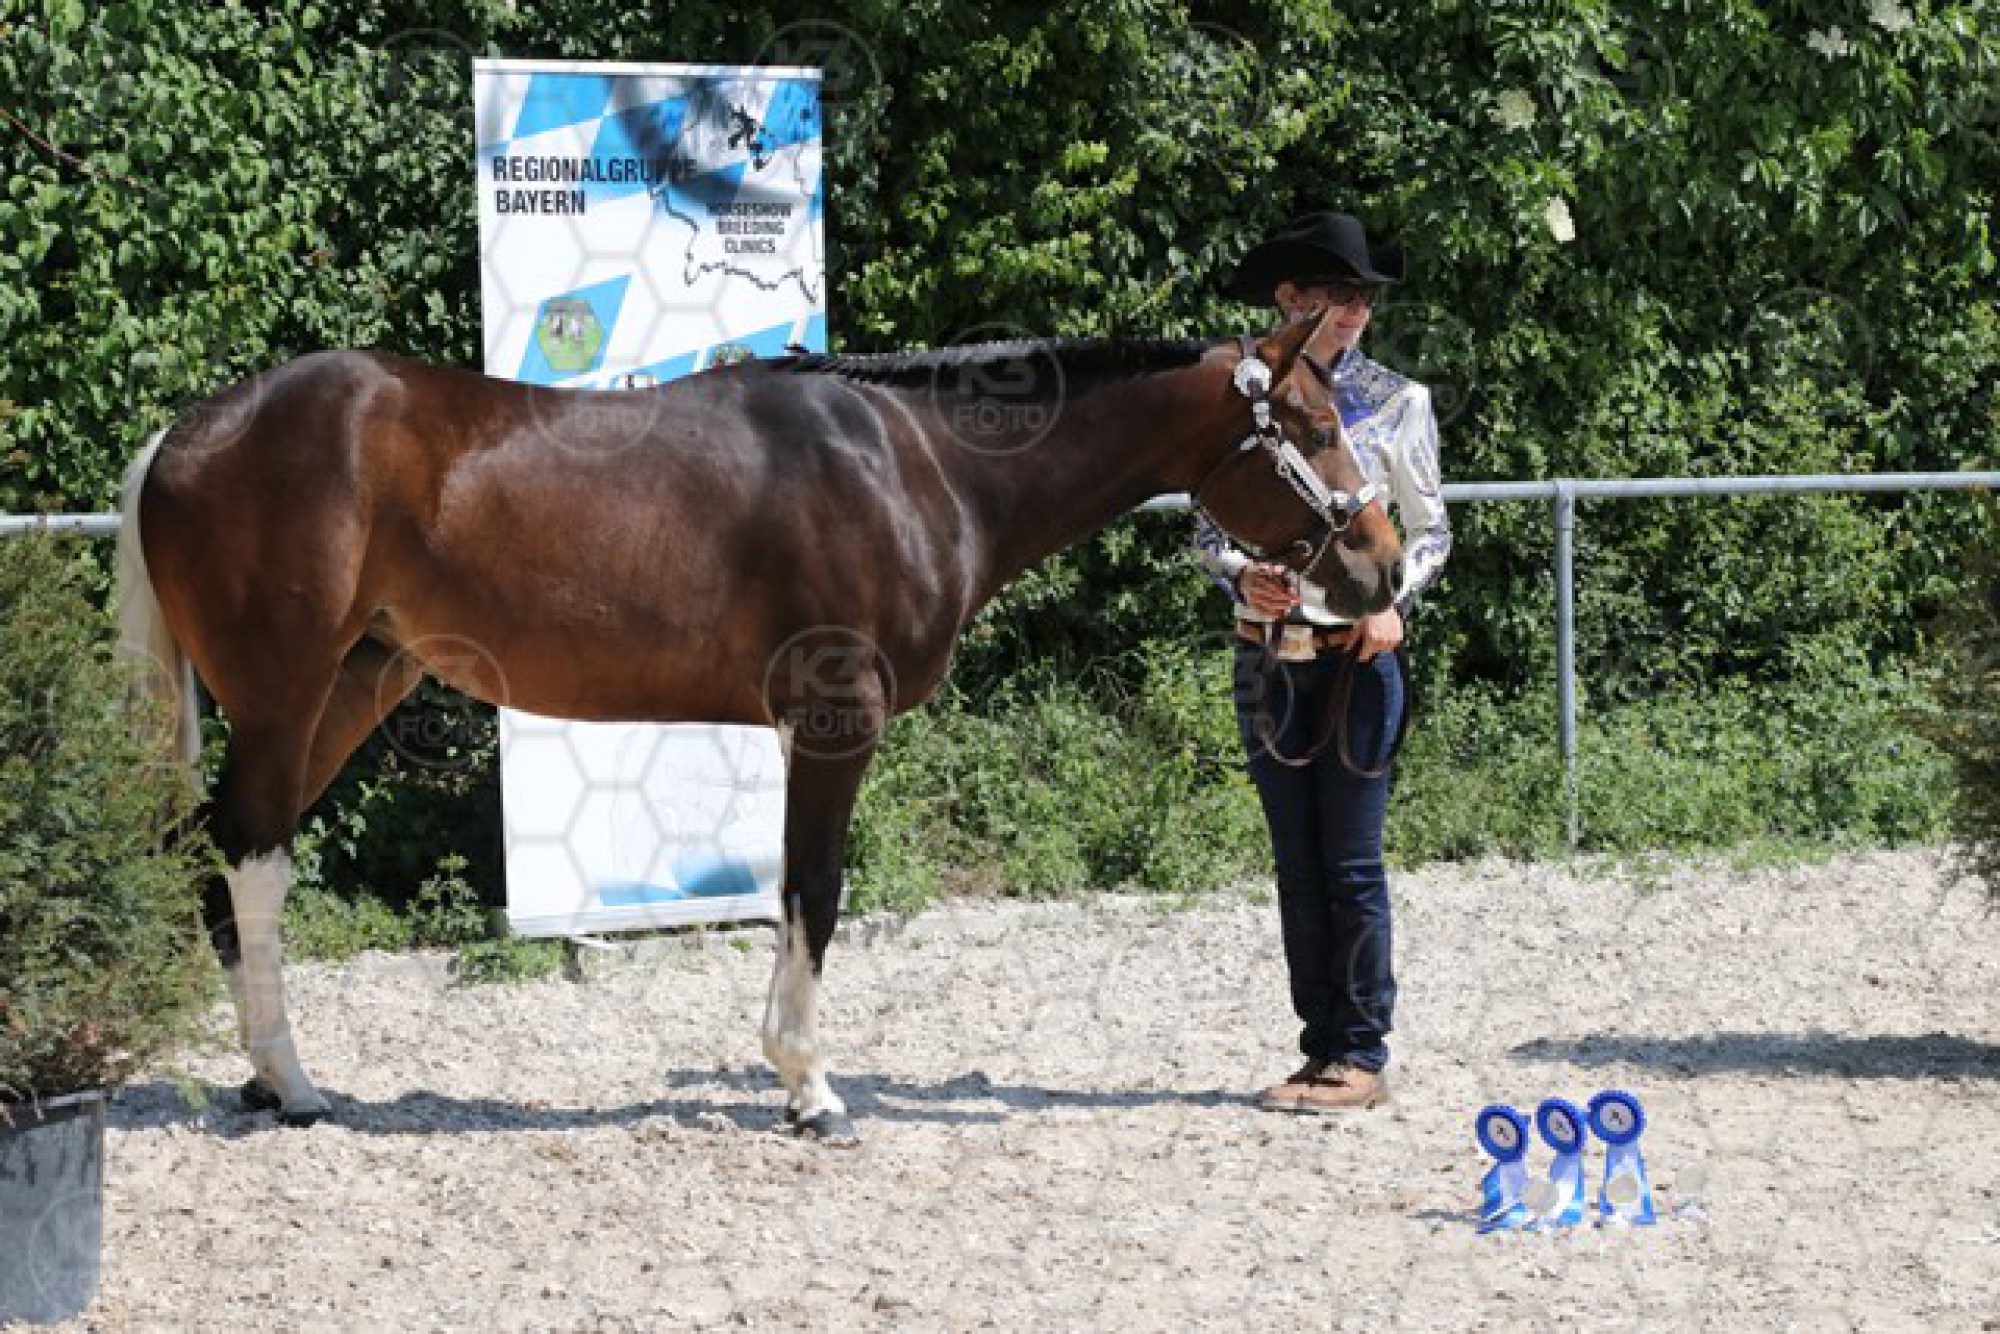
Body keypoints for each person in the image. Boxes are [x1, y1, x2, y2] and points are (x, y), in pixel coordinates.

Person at [1196, 211, 1452, 1112]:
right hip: (1268, 655)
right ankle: (1319, 1047)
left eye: (1363, 297)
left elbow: (1431, 531)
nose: (1353, 311)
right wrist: (1241, 575)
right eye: (1336, 294)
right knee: (1296, 865)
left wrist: (1391, 601)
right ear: (1290, 298)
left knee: (1350, 862)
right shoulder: (1245, 399)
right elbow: (1207, 527)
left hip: (1354, 660)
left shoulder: (1397, 401)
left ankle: (1361, 1051)